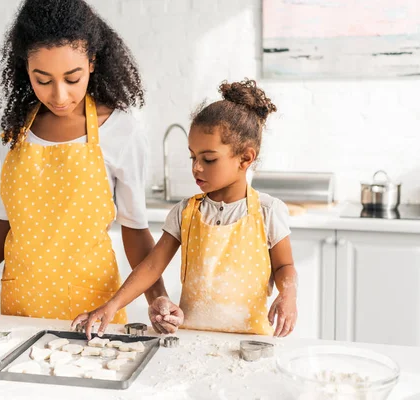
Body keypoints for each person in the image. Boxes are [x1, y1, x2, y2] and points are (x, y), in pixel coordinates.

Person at [0, 0, 170, 327]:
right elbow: (7, 220)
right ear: (26, 70)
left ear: (92, 63)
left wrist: (157, 296)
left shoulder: (120, 130)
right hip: (21, 306)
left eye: (72, 78)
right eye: (43, 80)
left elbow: (136, 231)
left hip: (93, 308)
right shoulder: (13, 130)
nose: (60, 95)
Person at [72, 79, 298, 339]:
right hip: (192, 338)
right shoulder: (185, 212)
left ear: (245, 158)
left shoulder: (268, 211)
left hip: (251, 340)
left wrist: (287, 294)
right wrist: (111, 306)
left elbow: (284, 267)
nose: (196, 167)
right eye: (193, 157)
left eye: (209, 159)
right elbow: (151, 267)